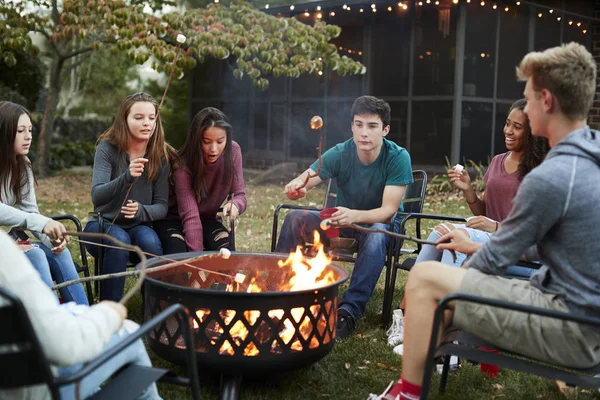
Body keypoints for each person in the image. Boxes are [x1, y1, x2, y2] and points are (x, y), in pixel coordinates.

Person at [376, 42, 600, 400]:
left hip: (570, 328)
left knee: (425, 278)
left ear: (547, 101)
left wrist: (462, 262)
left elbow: (492, 262)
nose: (523, 108)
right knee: (444, 271)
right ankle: (426, 361)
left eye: (527, 100)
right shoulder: (592, 155)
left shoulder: (552, 175)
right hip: (586, 315)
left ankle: (408, 391)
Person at [386, 99, 550, 349]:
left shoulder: (540, 172)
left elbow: (536, 230)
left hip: (514, 244)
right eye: (507, 124)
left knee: (454, 239)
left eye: (517, 127)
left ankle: (442, 327)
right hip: (488, 237)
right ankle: (407, 316)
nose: (508, 130)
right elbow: (486, 210)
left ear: (532, 132)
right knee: (439, 233)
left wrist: (495, 227)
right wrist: (469, 191)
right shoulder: (497, 161)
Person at [275, 95, 413, 340]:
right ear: (352, 126)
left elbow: (388, 210)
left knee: (377, 231)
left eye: (372, 126)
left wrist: (354, 216)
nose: (364, 133)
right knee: (295, 217)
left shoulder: (397, 157)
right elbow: (309, 176)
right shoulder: (341, 152)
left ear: (386, 130)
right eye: (359, 124)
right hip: (343, 225)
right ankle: (279, 291)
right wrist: (297, 186)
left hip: (384, 231)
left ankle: (348, 311)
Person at [0, 230, 161, 400]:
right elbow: (63, 347)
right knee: (130, 332)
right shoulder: (5, 253)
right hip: (42, 391)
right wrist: (110, 314)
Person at [0, 101, 88, 305]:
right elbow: (30, 218)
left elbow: (31, 211)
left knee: (60, 253)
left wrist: (52, 240)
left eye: (30, 129)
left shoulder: (23, 164)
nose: (28, 136)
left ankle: (84, 317)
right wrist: (39, 223)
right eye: (20, 130)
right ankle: (51, 326)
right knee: (36, 255)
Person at [84, 92, 169, 302]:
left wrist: (142, 211)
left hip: (139, 225)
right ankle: (109, 310)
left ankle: (153, 308)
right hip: (101, 225)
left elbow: (162, 206)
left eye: (151, 117)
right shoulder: (108, 149)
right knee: (119, 241)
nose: (147, 123)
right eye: (138, 117)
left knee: (150, 242)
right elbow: (97, 196)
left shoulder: (159, 156)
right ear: (125, 119)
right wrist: (127, 176)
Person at [175, 107, 246, 252]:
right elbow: (191, 218)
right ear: (196, 140)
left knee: (225, 247)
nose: (214, 149)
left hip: (208, 220)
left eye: (220, 141)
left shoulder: (233, 152)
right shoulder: (183, 163)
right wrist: (199, 263)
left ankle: (227, 276)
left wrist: (235, 205)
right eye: (206, 141)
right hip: (175, 220)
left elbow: (240, 195)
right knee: (177, 250)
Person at [153, 143, 188, 255]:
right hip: (164, 220)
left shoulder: (179, 167)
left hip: (190, 218)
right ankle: (178, 272)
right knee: (175, 244)